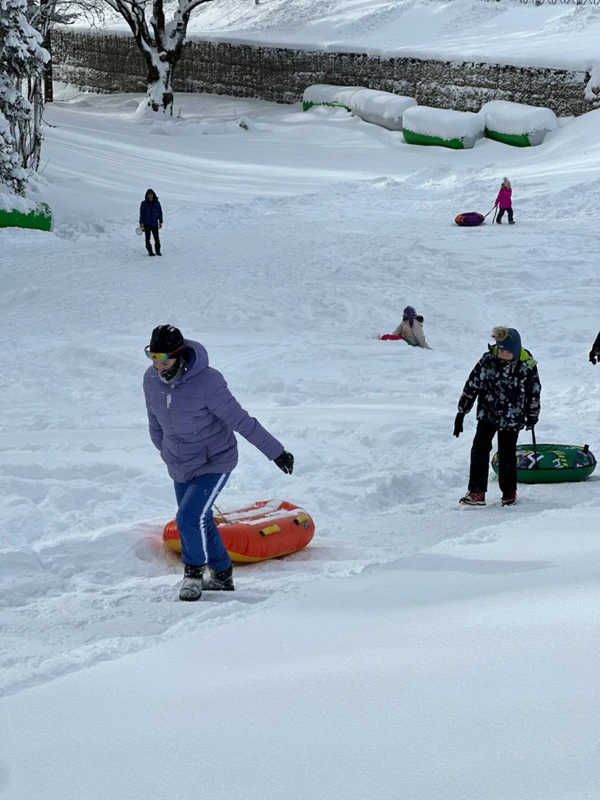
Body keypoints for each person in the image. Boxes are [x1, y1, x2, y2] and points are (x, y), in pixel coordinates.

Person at [143, 325, 294, 601]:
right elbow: (155, 422)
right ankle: (223, 574)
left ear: (180, 355)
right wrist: (165, 451)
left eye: (165, 361)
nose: (158, 367)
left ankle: (193, 574)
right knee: (201, 518)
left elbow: (240, 419)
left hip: (214, 460)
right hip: (179, 461)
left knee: (189, 517)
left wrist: (276, 451)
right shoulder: (150, 380)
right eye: (153, 359)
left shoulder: (208, 383)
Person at [453, 326, 541, 507]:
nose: (502, 354)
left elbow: (534, 392)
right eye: (500, 349)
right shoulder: (488, 361)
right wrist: (461, 412)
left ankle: (509, 492)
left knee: (507, 455)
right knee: (479, 449)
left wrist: (532, 415)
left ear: (516, 350)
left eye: (507, 351)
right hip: (488, 414)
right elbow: (472, 385)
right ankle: (477, 492)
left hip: (513, 417)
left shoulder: (527, 365)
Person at [139, 189, 163, 256]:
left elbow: (160, 213)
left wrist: (160, 222)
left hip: (154, 224)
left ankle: (158, 251)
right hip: (146, 224)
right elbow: (142, 214)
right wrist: (141, 222)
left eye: (151, 194)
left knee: (157, 239)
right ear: (146, 195)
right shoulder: (143, 203)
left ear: (153, 195)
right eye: (148, 194)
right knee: (147, 239)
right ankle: (150, 252)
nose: (150, 196)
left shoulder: (157, 203)